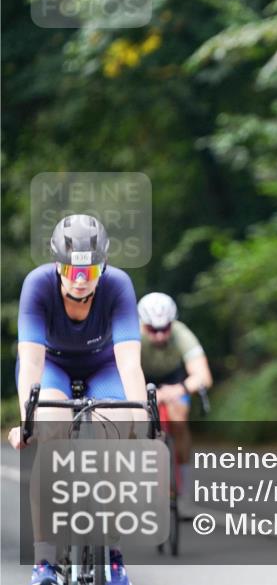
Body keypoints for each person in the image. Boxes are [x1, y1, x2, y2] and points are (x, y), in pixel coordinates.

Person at [8, 214, 145, 585]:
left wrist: (140, 422)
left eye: (91, 271)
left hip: (104, 367)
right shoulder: (37, 285)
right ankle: (45, 560)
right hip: (51, 367)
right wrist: (28, 420)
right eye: (72, 271)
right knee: (50, 431)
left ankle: (113, 554)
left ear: (105, 266)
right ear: (57, 265)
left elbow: (130, 362)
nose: (81, 281)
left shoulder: (119, 286)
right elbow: (32, 363)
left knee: (118, 434)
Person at [137, 291, 212, 507]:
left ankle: (185, 490)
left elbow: (203, 377)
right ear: (142, 324)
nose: (160, 336)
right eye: (152, 329)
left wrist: (178, 390)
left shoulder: (181, 334)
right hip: (141, 378)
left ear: (173, 322)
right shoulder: (132, 333)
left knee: (179, 417)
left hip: (174, 379)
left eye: (165, 329)